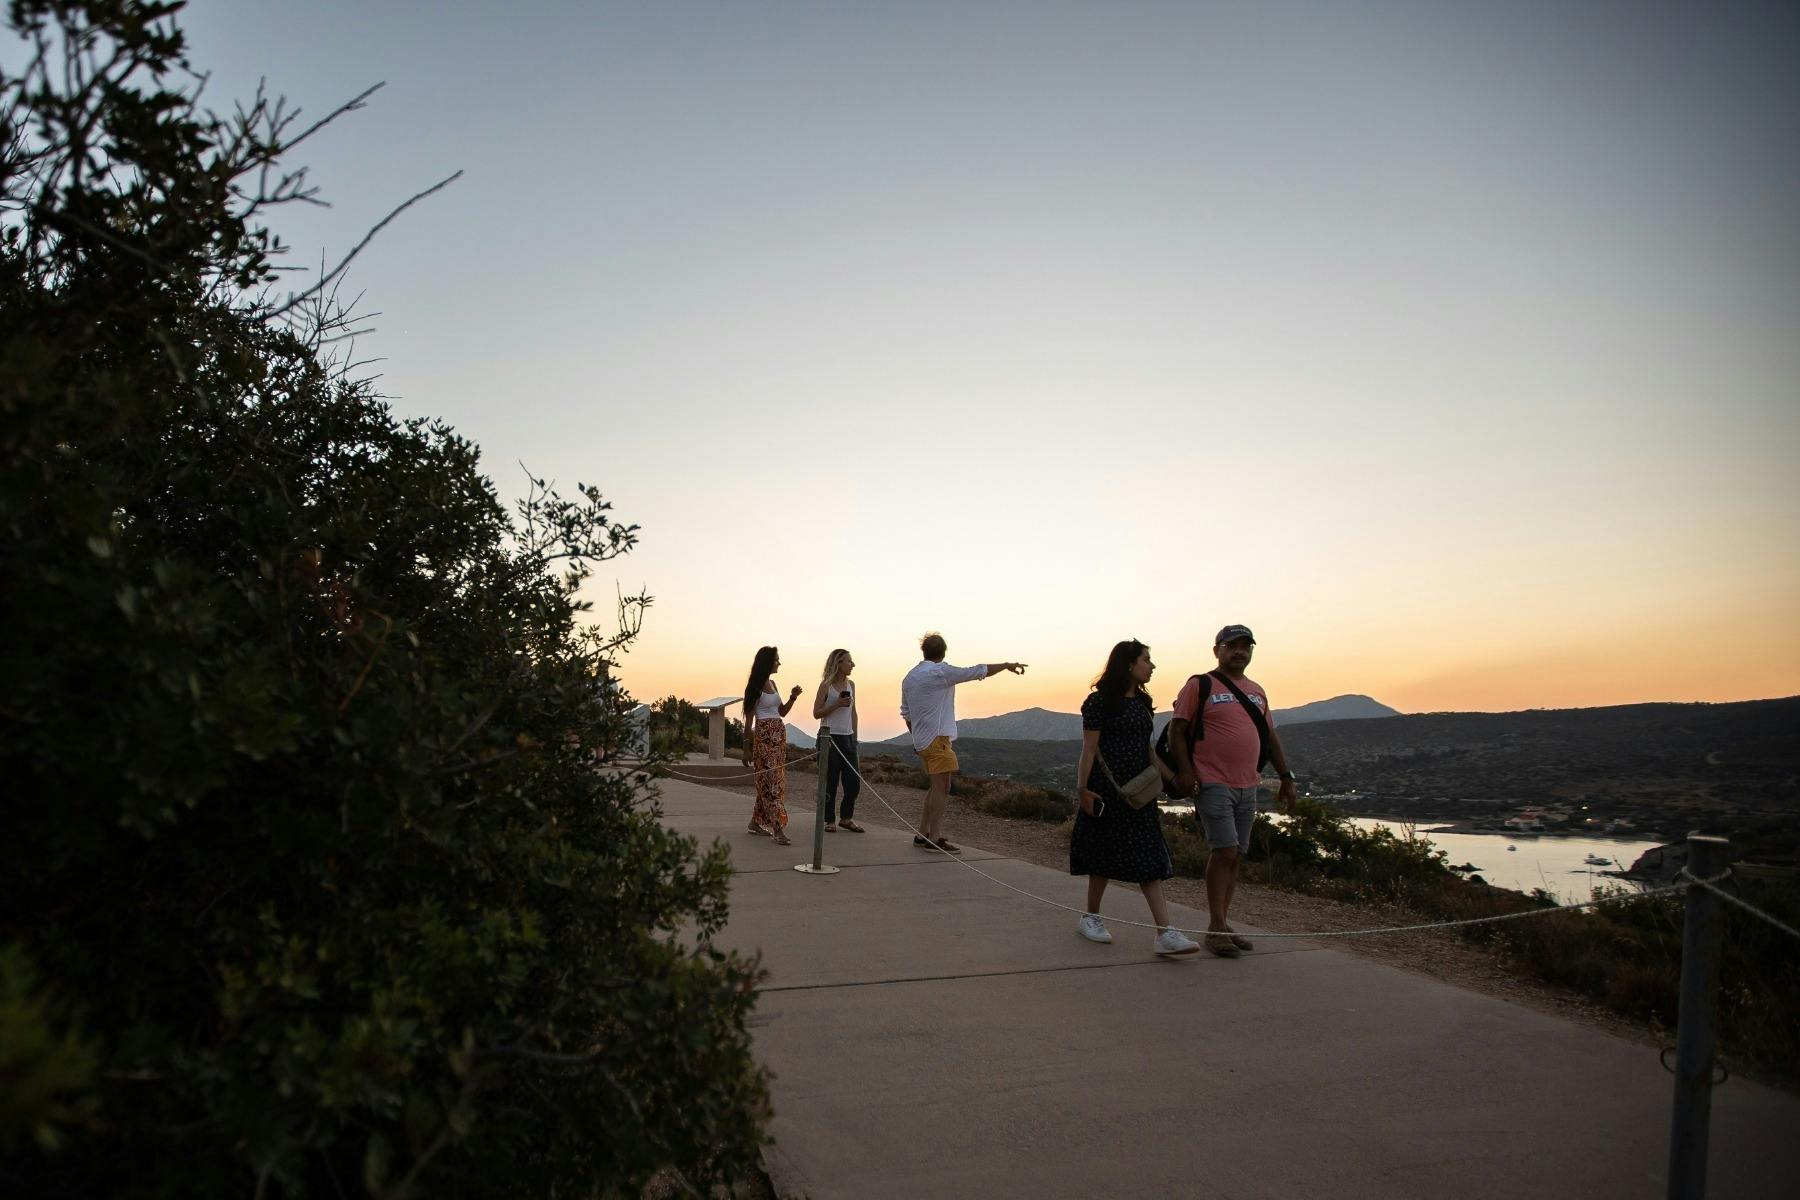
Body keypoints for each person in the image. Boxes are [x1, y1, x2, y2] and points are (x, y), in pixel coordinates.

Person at [1166, 624, 1298, 957]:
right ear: (1217, 650)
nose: (1239, 651)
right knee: (1223, 850)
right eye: (1232, 646)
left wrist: (1286, 776)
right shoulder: (1200, 685)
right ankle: (1214, 928)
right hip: (1212, 781)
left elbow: (1270, 737)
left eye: (1245, 646)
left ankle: (1223, 924)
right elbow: (1177, 731)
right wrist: (1185, 771)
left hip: (1247, 783)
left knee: (1236, 854)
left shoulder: (1257, 691)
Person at [1071, 640, 1200, 957]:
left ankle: (1164, 932)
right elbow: (1088, 750)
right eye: (1147, 660)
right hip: (1106, 791)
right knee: (1101, 857)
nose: (1152, 666)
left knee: (1148, 859)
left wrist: (1175, 781)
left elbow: (1148, 752)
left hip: (1140, 794)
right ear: (1129, 664)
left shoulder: (1142, 703)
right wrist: (1083, 789)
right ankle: (1092, 917)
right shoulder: (1099, 703)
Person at [899, 632, 1026, 854]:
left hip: (922, 741)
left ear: (924, 651)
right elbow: (977, 671)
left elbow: (906, 713)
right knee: (942, 787)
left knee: (935, 786)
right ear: (943, 652)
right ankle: (934, 837)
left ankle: (923, 834)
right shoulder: (942, 672)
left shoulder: (910, 677)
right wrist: (1006, 665)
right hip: (938, 739)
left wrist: (917, 736)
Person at [740, 645, 803, 846]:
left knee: (772, 781)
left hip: (778, 739)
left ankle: (754, 823)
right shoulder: (754, 687)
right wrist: (746, 748)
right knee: (772, 785)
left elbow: (782, 712)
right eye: (777, 659)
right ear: (767, 662)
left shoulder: (773, 684)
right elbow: (748, 722)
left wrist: (793, 697)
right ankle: (777, 828)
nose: (779, 662)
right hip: (764, 739)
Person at [811, 649, 864, 832]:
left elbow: (854, 713)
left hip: (848, 738)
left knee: (853, 783)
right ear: (839, 663)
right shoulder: (826, 685)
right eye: (849, 661)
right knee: (830, 781)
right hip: (829, 737)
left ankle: (846, 817)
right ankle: (829, 820)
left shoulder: (852, 685)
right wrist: (836, 705)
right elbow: (816, 713)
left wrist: (855, 739)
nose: (852, 665)